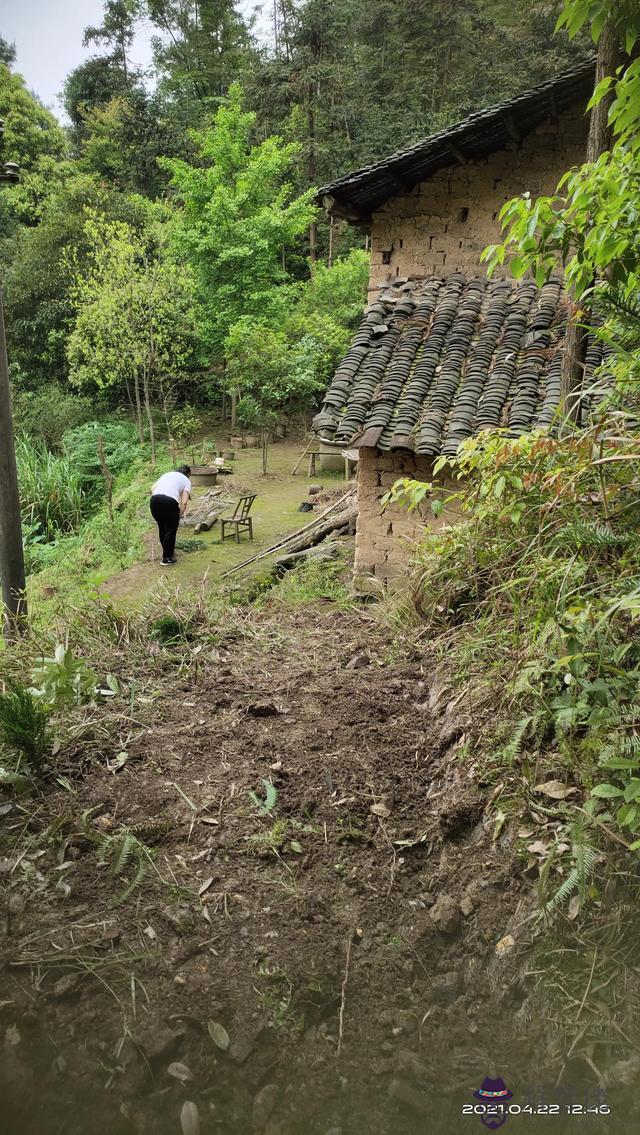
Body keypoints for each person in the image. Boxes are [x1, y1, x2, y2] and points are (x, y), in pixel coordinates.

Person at [150, 465, 192, 565]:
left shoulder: (167, 474)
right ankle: (167, 558)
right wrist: (179, 516)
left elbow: (152, 488)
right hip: (169, 502)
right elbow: (184, 502)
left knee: (162, 527)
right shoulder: (186, 480)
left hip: (154, 500)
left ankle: (167, 552)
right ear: (188, 474)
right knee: (171, 529)